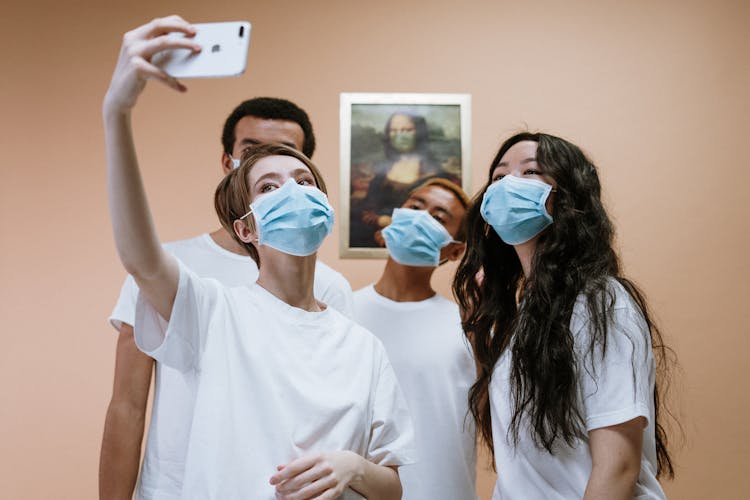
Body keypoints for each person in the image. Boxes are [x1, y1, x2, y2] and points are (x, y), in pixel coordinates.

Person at [103, 17, 415, 498]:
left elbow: (391, 485)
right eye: (268, 186)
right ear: (246, 227)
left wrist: (352, 466)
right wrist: (117, 113)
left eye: (303, 180)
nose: (291, 190)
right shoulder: (215, 312)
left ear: (326, 210)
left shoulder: (362, 347)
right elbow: (141, 259)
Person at [453, 132, 675, 499]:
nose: (509, 183)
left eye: (530, 172)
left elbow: (618, 467)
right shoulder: (521, 315)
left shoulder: (602, 302)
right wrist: (477, 328)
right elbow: (512, 445)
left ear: (568, 198)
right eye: (498, 176)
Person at [353, 178, 478, 499]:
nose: (421, 218)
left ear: (454, 250)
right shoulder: (343, 312)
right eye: (415, 206)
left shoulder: (468, 328)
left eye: (439, 217)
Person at [351, 112, 447, 247]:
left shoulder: (434, 174)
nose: (399, 135)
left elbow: (435, 220)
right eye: (394, 131)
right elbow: (368, 208)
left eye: (406, 130)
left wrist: (388, 222)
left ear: (419, 134)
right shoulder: (381, 173)